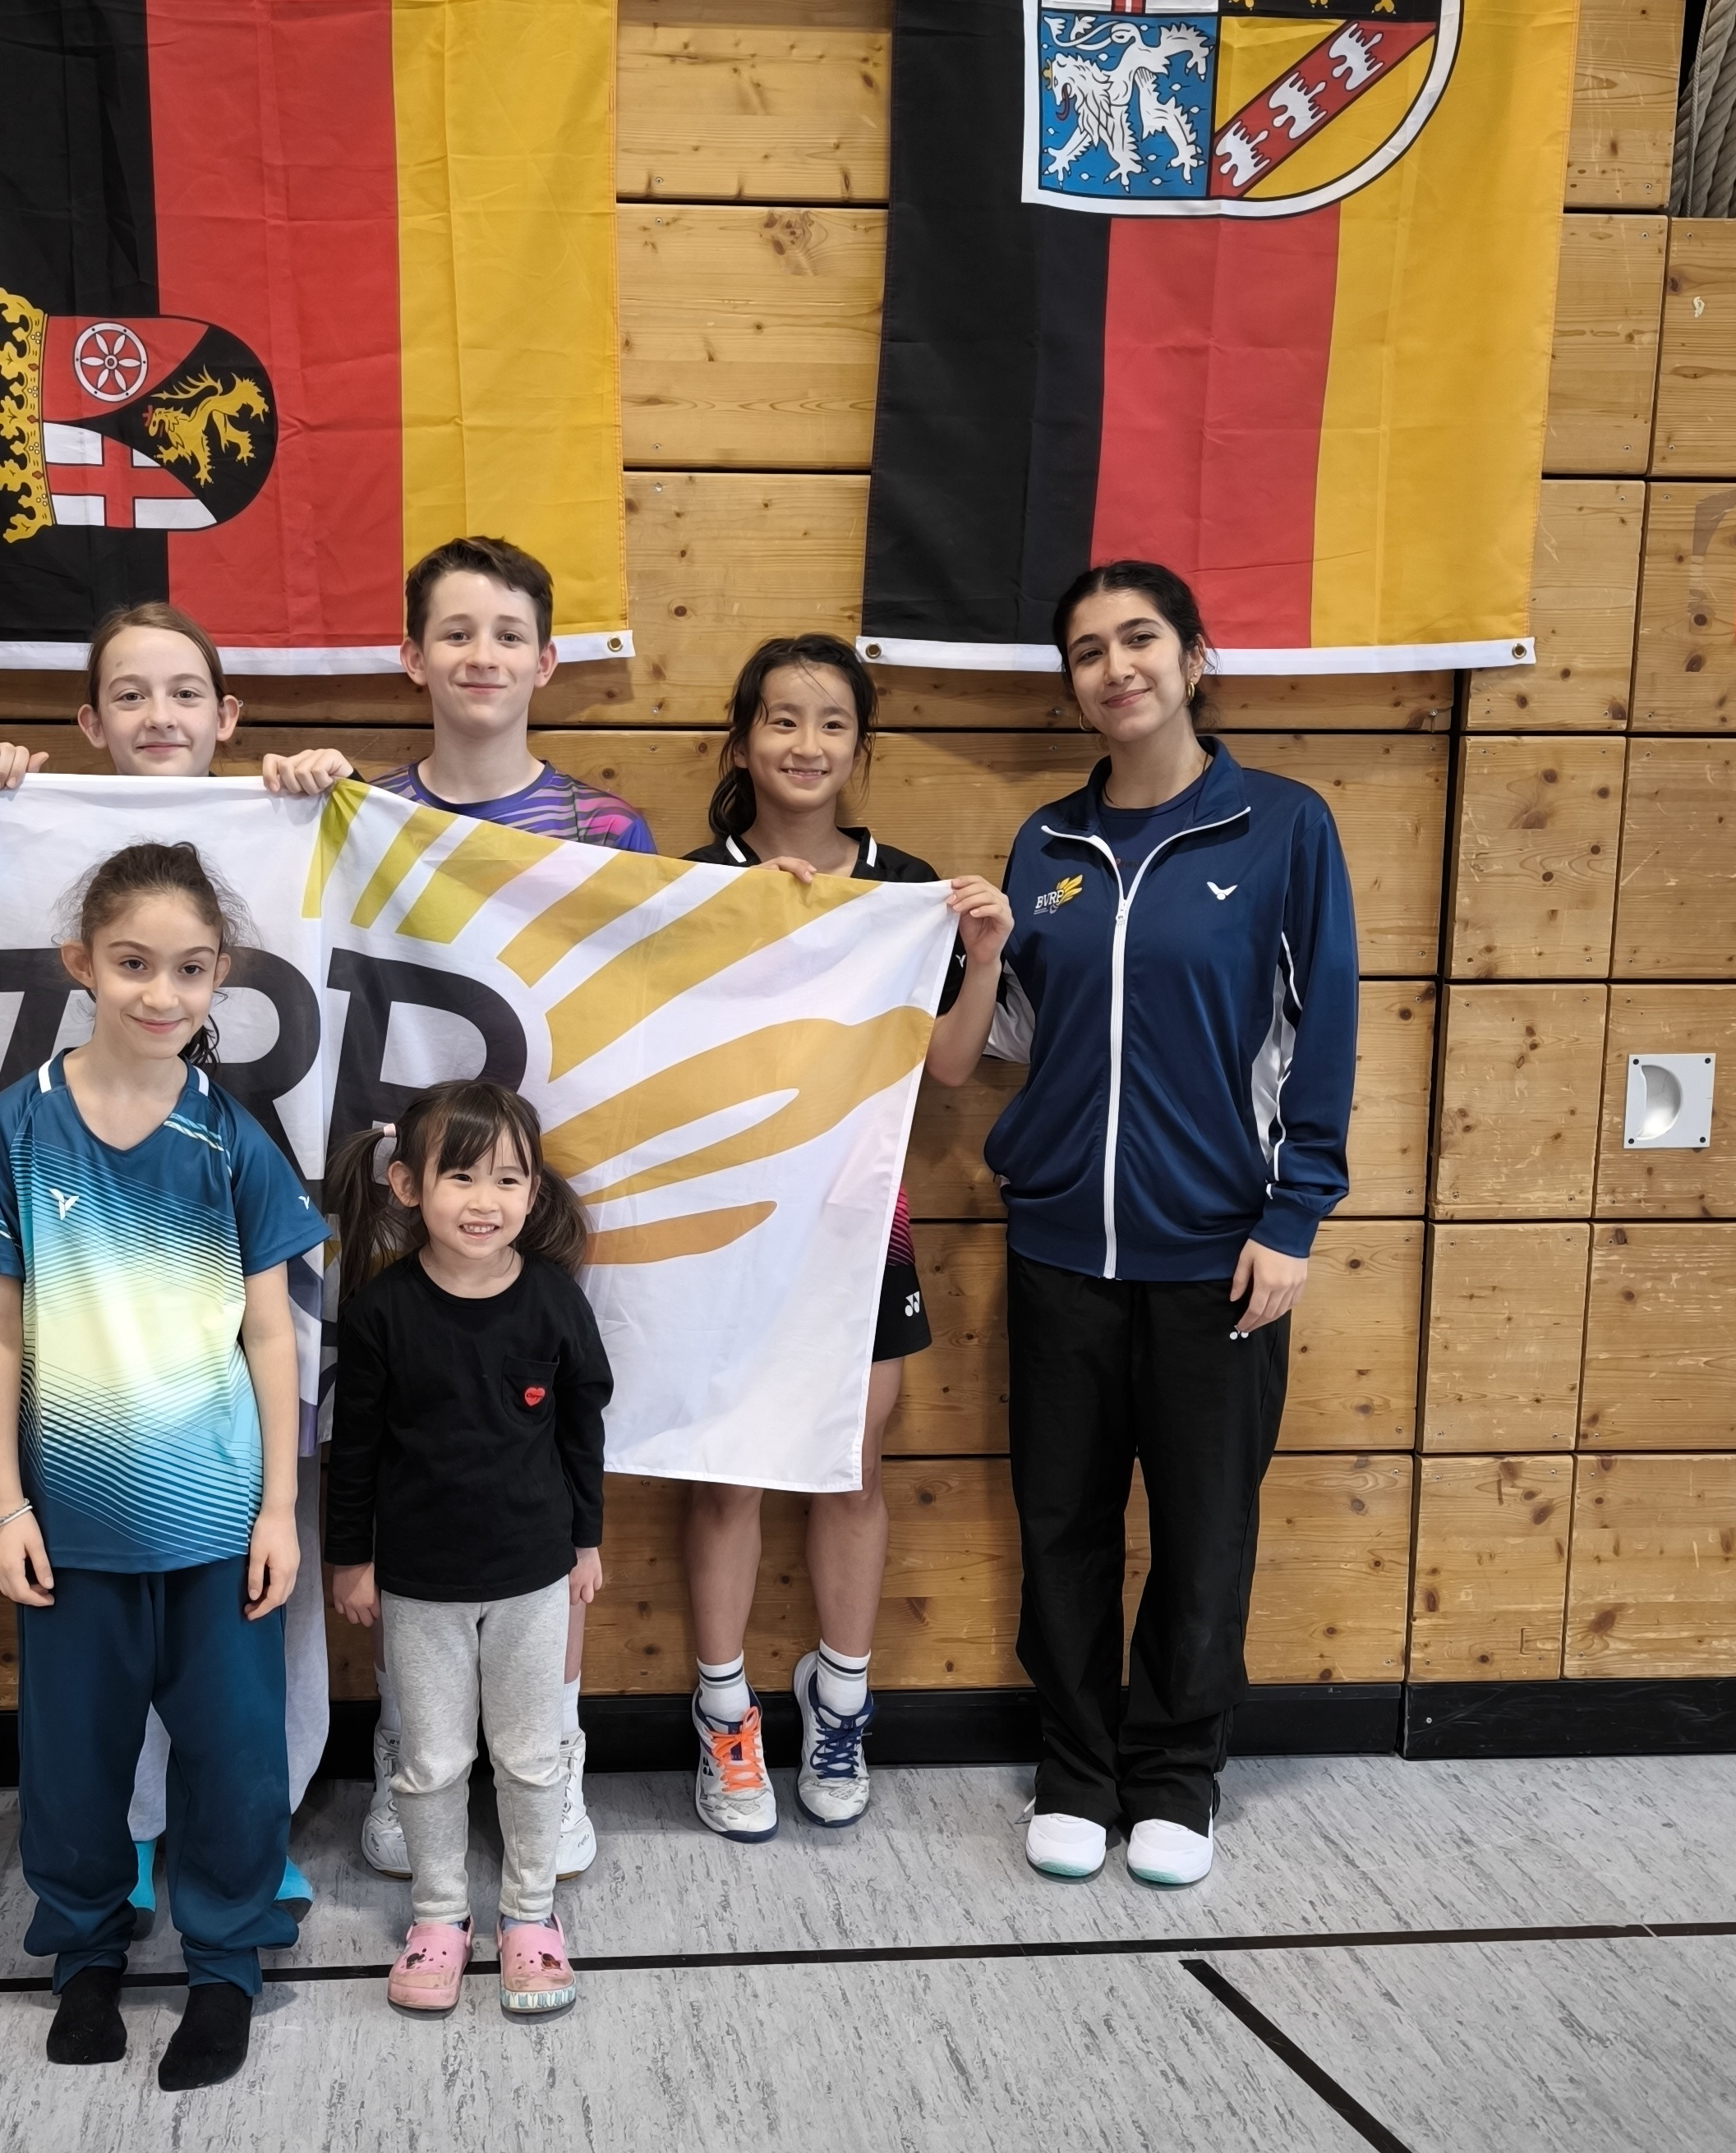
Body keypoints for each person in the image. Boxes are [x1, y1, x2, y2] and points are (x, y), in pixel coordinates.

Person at [0, 602, 347, 1928]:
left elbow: (273, 1326)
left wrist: (305, 791)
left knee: (243, 1615)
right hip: (82, 1427)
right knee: (103, 1652)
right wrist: (5, 787)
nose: (160, 714)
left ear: (230, 716)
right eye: (131, 692)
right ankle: (116, 1849)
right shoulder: (44, 816)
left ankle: (247, 1836)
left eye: (188, 691)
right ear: (88, 718)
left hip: (225, 1402)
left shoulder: (272, 816)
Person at [960, 561, 1357, 1892]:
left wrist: (1294, 1213)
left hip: (1219, 1259)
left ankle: (1174, 1772)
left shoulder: (1282, 828)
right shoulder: (1046, 847)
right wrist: (966, 951)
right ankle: (1075, 1768)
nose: (1114, 665)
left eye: (1139, 639)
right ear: (1069, 683)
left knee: (1202, 1529)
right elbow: (1010, 1035)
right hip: (1058, 1248)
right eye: (1086, 649)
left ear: (1194, 656)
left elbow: (1324, 1037)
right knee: (1060, 1521)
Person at [267, 536, 652, 1885]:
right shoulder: (350, 816)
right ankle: (408, 1757)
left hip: (536, 1201)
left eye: (507, 633)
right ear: (410, 655)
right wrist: (291, 797)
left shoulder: (610, 834)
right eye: (456, 631)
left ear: (547, 661)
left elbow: (671, 982)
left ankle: (554, 1756)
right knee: (412, 1455)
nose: (481, 654)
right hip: (399, 1212)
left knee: (532, 1466)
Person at [0, 839, 327, 2085]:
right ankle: (88, 1955)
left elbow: (272, 1329)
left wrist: (280, 1506)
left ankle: (225, 1963)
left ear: (222, 979)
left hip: (217, 1522)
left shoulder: (232, 1139)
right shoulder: (19, 1127)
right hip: (75, 1521)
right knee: (73, 1765)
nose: (163, 993)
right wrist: (3, 1506)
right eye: (135, 965)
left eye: (192, 970)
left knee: (232, 1763)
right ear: (81, 965)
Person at [679, 636, 1011, 1837]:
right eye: (781, 720)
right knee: (724, 1469)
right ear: (741, 742)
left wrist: (979, 956)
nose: (804, 745)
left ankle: (840, 1700)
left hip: (863, 1222)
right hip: (722, 1226)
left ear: (861, 751)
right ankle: (723, 1722)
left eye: (830, 724)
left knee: (852, 1463)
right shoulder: (691, 885)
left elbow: (955, 1065)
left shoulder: (907, 887)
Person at [321, 1082, 610, 2021]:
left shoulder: (556, 1304)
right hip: (418, 1584)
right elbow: (354, 1447)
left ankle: (531, 1917)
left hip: (532, 1577)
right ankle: (440, 1918)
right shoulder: (380, 1314)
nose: (484, 1199)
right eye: (460, 1175)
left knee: (533, 1756)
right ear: (408, 1185)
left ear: (534, 1193)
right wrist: (351, 1559)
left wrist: (587, 1541)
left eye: (509, 1178)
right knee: (432, 1759)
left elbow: (582, 1433)